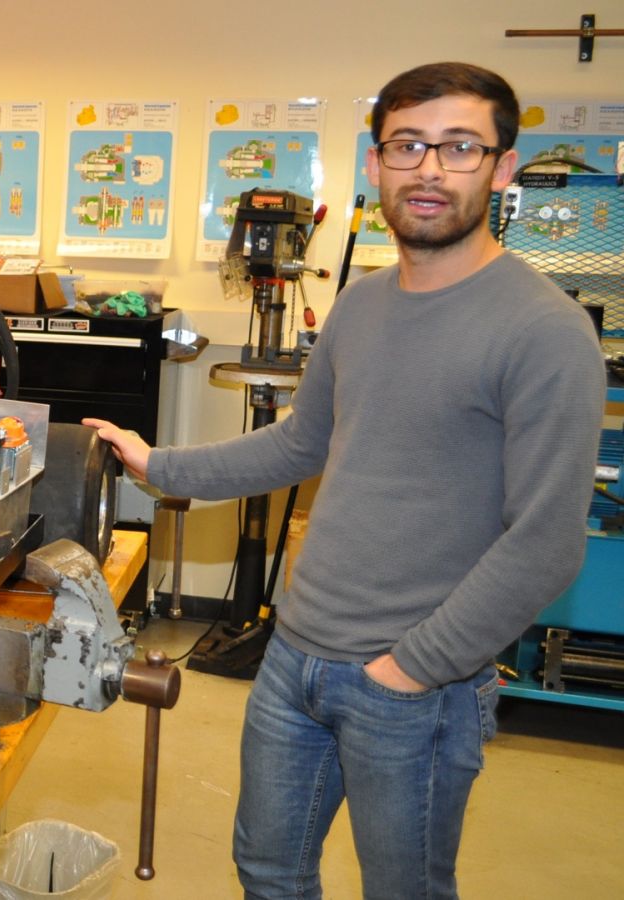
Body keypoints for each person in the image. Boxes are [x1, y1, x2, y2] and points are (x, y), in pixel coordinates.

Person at [86, 61, 603, 899]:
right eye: (408, 146)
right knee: (268, 875)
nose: (429, 169)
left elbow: (545, 542)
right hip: (295, 659)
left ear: (503, 167)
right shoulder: (361, 306)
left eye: (460, 147)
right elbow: (301, 445)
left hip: (415, 686)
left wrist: (413, 666)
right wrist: (160, 464)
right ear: (375, 166)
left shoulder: (544, 331)